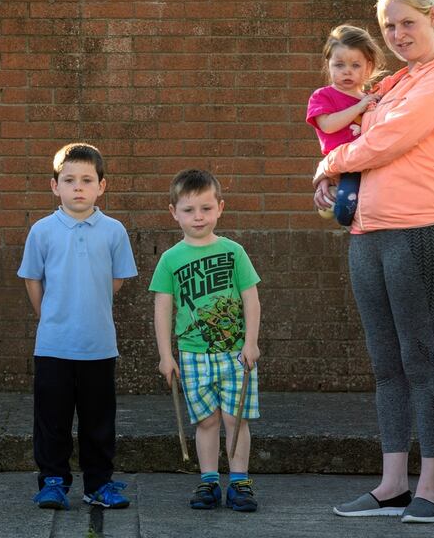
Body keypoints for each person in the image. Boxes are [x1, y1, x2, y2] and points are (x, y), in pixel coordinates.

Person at [313, 0, 434, 524]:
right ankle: (392, 486)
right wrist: (335, 174)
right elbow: (351, 139)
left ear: (432, 18)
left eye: (408, 21)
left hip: (420, 232)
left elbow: (390, 139)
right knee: (386, 366)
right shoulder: (392, 81)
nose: (398, 33)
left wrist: (329, 166)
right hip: (367, 234)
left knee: (419, 359)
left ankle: (431, 490)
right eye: (389, 25)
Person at [18, 143, 138, 510]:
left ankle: (98, 483)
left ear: (102, 185)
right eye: (69, 180)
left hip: (98, 345)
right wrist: (51, 314)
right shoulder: (42, 231)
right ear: (55, 186)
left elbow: (115, 281)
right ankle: (52, 480)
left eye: (87, 180)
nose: (78, 187)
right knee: (51, 419)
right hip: (53, 344)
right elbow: (32, 280)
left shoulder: (114, 231)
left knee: (98, 421)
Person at [150, 169, 262, 512]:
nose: (198, 217)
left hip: (235, 353)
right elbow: (163, 309)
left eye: (205, 208)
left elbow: (251, 298)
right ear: (174, 212)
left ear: (220, 208)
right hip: (193, 355)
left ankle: (240, 482)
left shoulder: (234, 252)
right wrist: (165, 356)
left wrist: (252, 342)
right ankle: (209, 480)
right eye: (188, 210)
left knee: (236, 418)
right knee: (207, 421)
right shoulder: (170, 259)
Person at [306, 24, 386, 226]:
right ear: (329, 65)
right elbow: (328, 126)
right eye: (339, 65)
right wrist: (359, 107)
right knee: (344, 210)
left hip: (371, 163)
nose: (347, 72)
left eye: (355, 65)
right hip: (344, 167)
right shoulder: (323, 96)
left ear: (368, 67)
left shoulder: (371, 98)